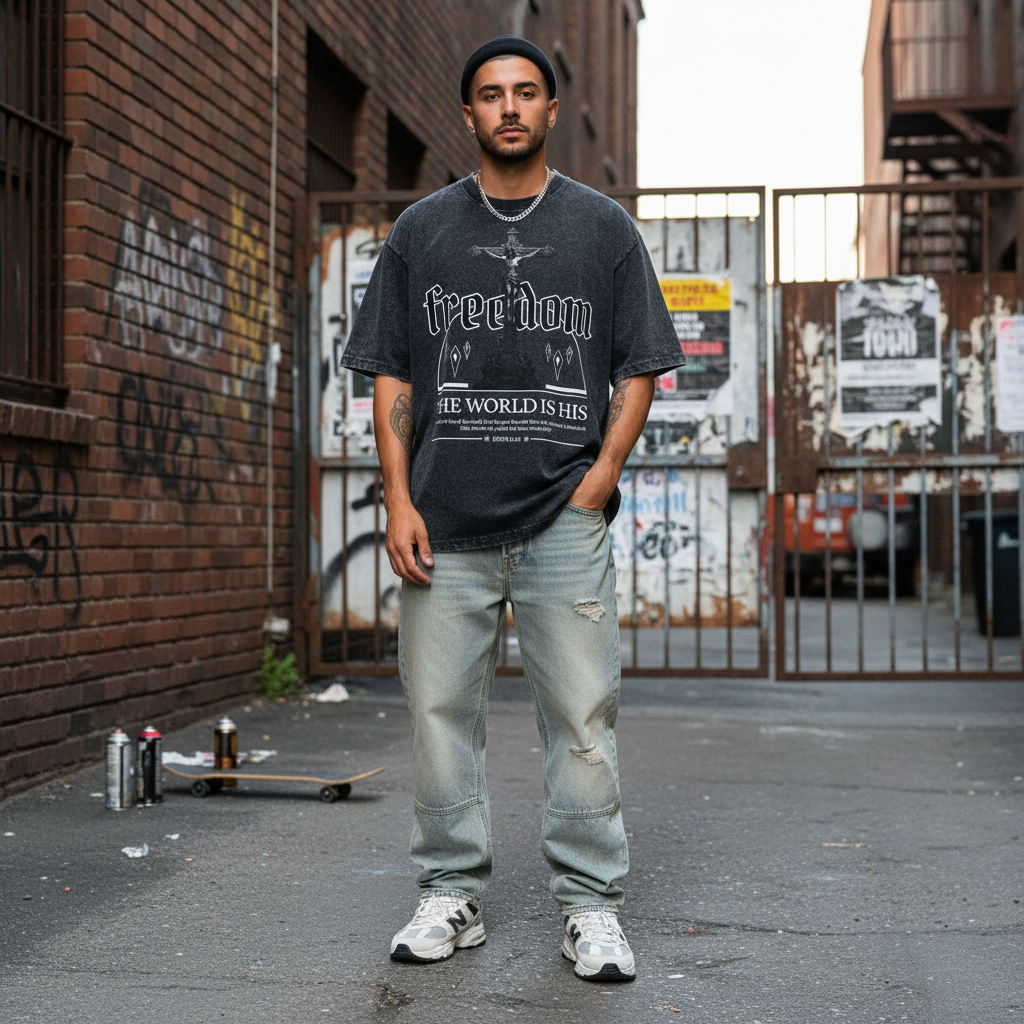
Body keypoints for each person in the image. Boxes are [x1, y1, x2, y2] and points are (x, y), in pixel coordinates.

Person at [339, 34, 683, 982]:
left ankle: (592, 908)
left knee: (580, 716)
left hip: (563, 519)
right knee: (439, 712)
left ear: (549, 107)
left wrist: (601, 476)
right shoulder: (422, 231)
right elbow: (392, 371)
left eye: (526, 91)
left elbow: (642, 362)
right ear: (469, 114)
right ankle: (450, 895)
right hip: (444, 522)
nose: (510, 107)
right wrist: (400, 498)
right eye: (491, 94)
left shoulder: (603, 227)